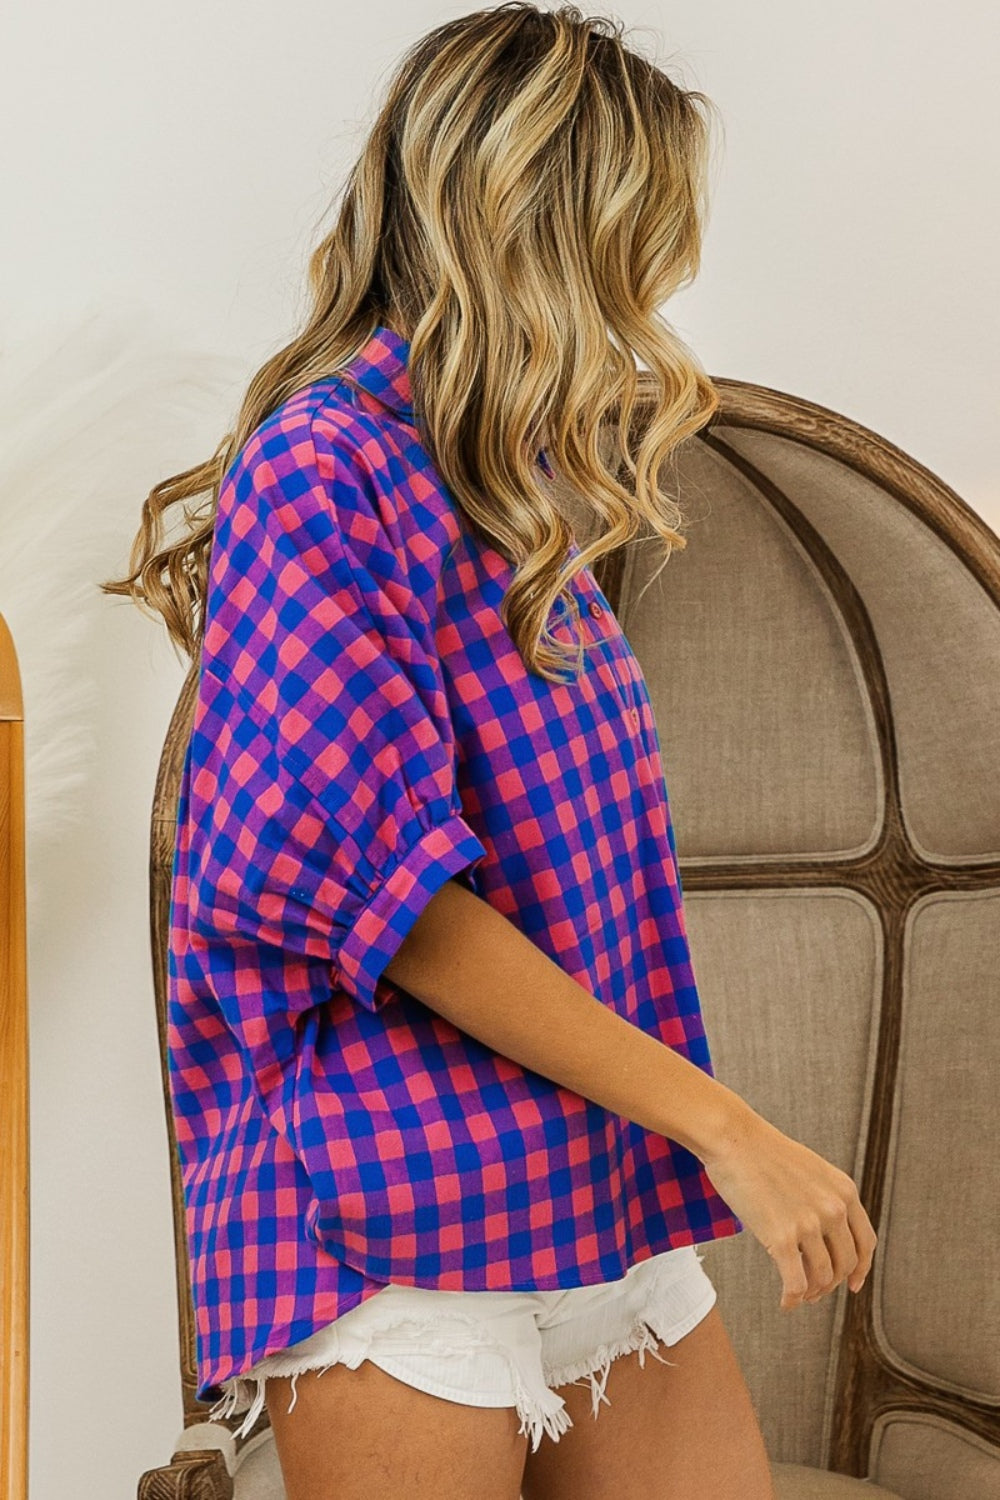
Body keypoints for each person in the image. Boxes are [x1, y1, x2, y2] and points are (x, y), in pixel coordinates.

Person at [103, 5, 877, 1497]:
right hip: (394, 1208)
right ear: (540, 223)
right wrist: (730, 1129)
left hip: (585, 1189)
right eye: (641, 231)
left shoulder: (514, 495)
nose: (661, 280)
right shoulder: (324, 466)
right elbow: (393, 905)